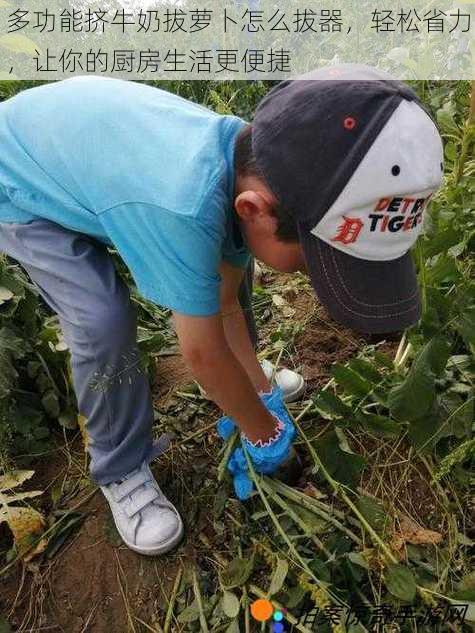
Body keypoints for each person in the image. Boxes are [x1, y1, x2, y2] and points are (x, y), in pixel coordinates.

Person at [0, 64, 443, 556]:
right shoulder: (184, 206)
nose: (308, 276)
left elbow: (225, 303)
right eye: (314, 260)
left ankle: (250, 382)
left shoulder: (254, 165)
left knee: (226, 283)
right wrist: (264, 432)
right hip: (20, 178)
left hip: (86, 156)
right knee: (102, 319)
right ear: (254, 209)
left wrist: (257, 393)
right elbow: (203, 352)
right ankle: (120, 467)